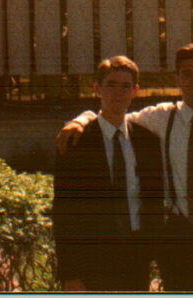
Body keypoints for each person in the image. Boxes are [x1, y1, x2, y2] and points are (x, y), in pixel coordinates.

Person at [57, 43, 193, 291]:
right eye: (187, 73)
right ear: (177, 79)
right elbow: (114, 115)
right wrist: (81, 119)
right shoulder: (160, 117)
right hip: (179, 237)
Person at [52, 56, 165, 292]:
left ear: (135, 91)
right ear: (97, 89)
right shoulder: (76, 142)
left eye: (125, 86)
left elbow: (153, 203)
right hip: (92, 260)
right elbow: (65, 213)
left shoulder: (148, 142)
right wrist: (71, 274)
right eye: (111, 84)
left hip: (136, 257)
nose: (118, 93)